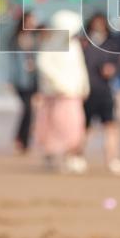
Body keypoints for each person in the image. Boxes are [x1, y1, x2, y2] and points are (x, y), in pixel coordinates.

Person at [35, 10, 90, 174]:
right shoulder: (51, 44)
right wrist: (58, 84)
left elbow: (80, 68)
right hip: (57, 94)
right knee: (55, 127)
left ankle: (71, 156)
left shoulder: (74, 45)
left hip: (73, 94)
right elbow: (44, 65)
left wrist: (85, 86)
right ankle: (55, 156)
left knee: (75, 126)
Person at [79, 13, 120, 176]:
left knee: (111, 126)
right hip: (87, 90)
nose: (98, 26)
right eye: (95, 23)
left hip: (106, 90)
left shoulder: (112, 43)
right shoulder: (83, 43)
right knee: (85, 126)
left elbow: (118, 63)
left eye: (101, 23)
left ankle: (112, 159)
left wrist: (113, 69)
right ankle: (78, 156)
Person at [7, 10, 40, 153]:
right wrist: (9, 79)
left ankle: (23, 140)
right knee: (27, 109)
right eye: (30, 20)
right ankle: (22, 139)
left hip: (34, 80)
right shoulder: (15, 39)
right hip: (20, 80)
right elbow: (10, 61)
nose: (33, 23)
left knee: (31, 110)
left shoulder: (36, 38)